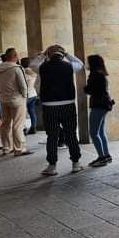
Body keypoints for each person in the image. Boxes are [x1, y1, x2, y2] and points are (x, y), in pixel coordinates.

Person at [31, 45, 84, 175]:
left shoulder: (42, 67)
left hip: (49, 106)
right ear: (62, 55)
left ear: (49, 55)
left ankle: (52, 166)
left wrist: (43, 54)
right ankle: (76, 163)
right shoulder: (69, 66)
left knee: (52, 136)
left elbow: (32, 64)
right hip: (68, 105)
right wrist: (67, 53)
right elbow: (80, 64)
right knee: (71, 134)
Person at [0, 48, 32, 156]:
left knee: (5, 124)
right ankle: (19, 149)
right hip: (17, 99)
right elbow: (23, 86)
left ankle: (6, 148)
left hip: (3, 99)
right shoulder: (16, 68)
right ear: (15, 56)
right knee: (18, 125)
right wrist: (25, 97)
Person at [84, 54, 113, 167]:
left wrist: (85, 88)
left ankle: (102, 158)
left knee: (93, 132)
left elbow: (91, 90)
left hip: (98, 105)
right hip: (104, 104)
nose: (87, 64)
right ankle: (106, 155)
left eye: (88, 62)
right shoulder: (100, 74)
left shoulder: (95, 75)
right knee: (100, 131)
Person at [20, 57, 39, 135]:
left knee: (22, 113)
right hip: (33, 93)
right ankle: (33, 128)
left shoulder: (22, 71)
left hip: (25, 95)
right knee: (32, 112)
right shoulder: (33, 72)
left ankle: (23, 128)